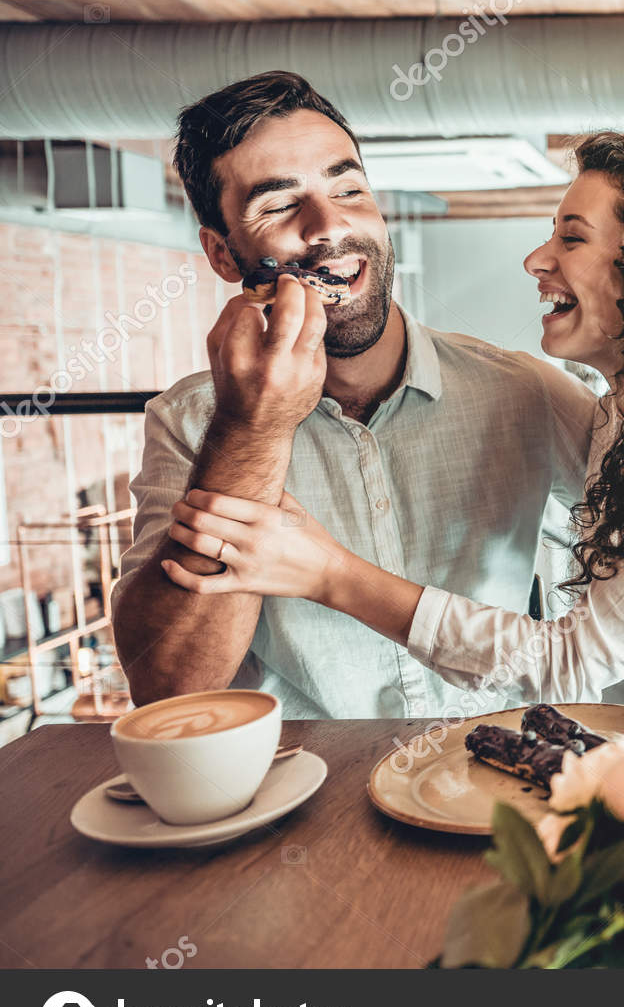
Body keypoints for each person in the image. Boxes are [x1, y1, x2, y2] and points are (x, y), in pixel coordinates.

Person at [161, 128, 624, 712]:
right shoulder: (622, 414)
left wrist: (327, 572)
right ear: (224, 252)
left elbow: (571, 660)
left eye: (571, 237)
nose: (535, 259)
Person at [110, 71, 598, 718]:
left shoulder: (526, 392)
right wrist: (252, 428)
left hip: (492, 781)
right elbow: (170, 690)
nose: (330, 224)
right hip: (303, 800)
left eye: (350, 189)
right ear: (224, 256)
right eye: (281, 205)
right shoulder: (191, 421)